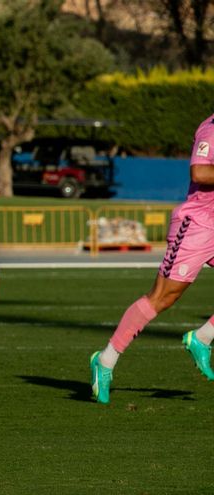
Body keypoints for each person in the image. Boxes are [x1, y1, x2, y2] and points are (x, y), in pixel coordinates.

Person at [89, 112, 214, 404]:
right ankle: (105, 362)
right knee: (162, 298)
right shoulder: (211, 129)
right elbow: (199, 173)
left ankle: (203, 338)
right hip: (198, 224)